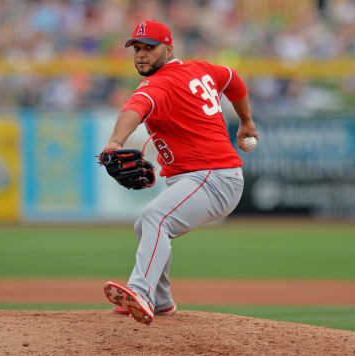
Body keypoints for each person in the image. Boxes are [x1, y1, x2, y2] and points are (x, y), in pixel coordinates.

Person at [102, 20, 258, 325]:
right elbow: (233, 79)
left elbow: (133, 109)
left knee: (154, 218)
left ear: (169, 48)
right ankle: (162, 302)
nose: (141, 54)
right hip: (207, 177)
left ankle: (140, 292)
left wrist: (115, 142)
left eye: (150, 47)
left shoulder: (159, 83)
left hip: (213, 176)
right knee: (144, 226)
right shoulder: (200, 69)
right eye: (137, 48)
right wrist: (247, 121)